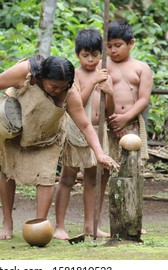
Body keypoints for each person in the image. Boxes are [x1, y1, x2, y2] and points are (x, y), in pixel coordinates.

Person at [0, 55, 119, 240]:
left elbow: (85, 126)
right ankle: (7, 223)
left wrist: (100, 153)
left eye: (63, 86)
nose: (57, 90)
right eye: (53, 86)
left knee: (46, 177)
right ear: (42, 77)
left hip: (48, 136)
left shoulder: (70, 95)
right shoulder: (25, 72)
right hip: (15, 127)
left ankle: (39, 225)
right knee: (8, 172)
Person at [54, 29, 114, 240]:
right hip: (77, 130)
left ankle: (91, 225)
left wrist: (109, 91)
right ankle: (59, 226)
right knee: (68, 177)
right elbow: (77, 101)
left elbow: (111, 109)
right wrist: (93, 81)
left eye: (95, 55)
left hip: (99, 131)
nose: (90, 59)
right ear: (78, 54)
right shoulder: (75, 75)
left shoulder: (106, 74)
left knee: (93, 179)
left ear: (101, 53)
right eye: (85, 55)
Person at [106, 20, 153, 234]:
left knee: (132, 171)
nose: (113, 50)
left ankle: (134, 218)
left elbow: (144, 99)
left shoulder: (142, 68)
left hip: (131, 124)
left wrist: (125, 118)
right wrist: (114, 121)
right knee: (106, 171)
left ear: (131, 43)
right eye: (109, 46)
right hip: (108, 125)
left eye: (118, 45)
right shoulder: (102, 66)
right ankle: (100, 222)